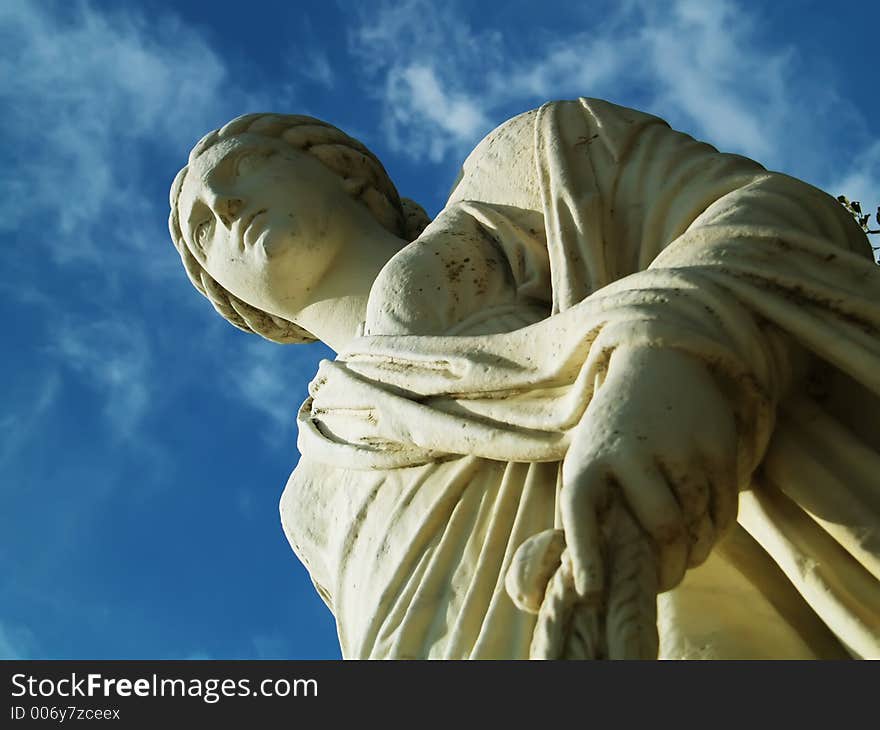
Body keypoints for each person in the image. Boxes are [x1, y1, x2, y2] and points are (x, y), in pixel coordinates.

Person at [169, 98, 880, 659]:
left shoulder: (530, 167)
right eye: (202, 232)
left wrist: (675, 354)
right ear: (246, 309)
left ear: (341, 167)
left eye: (243, 169)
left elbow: (785, 219)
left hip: (689, 599)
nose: (223, 209)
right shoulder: (308, 502)